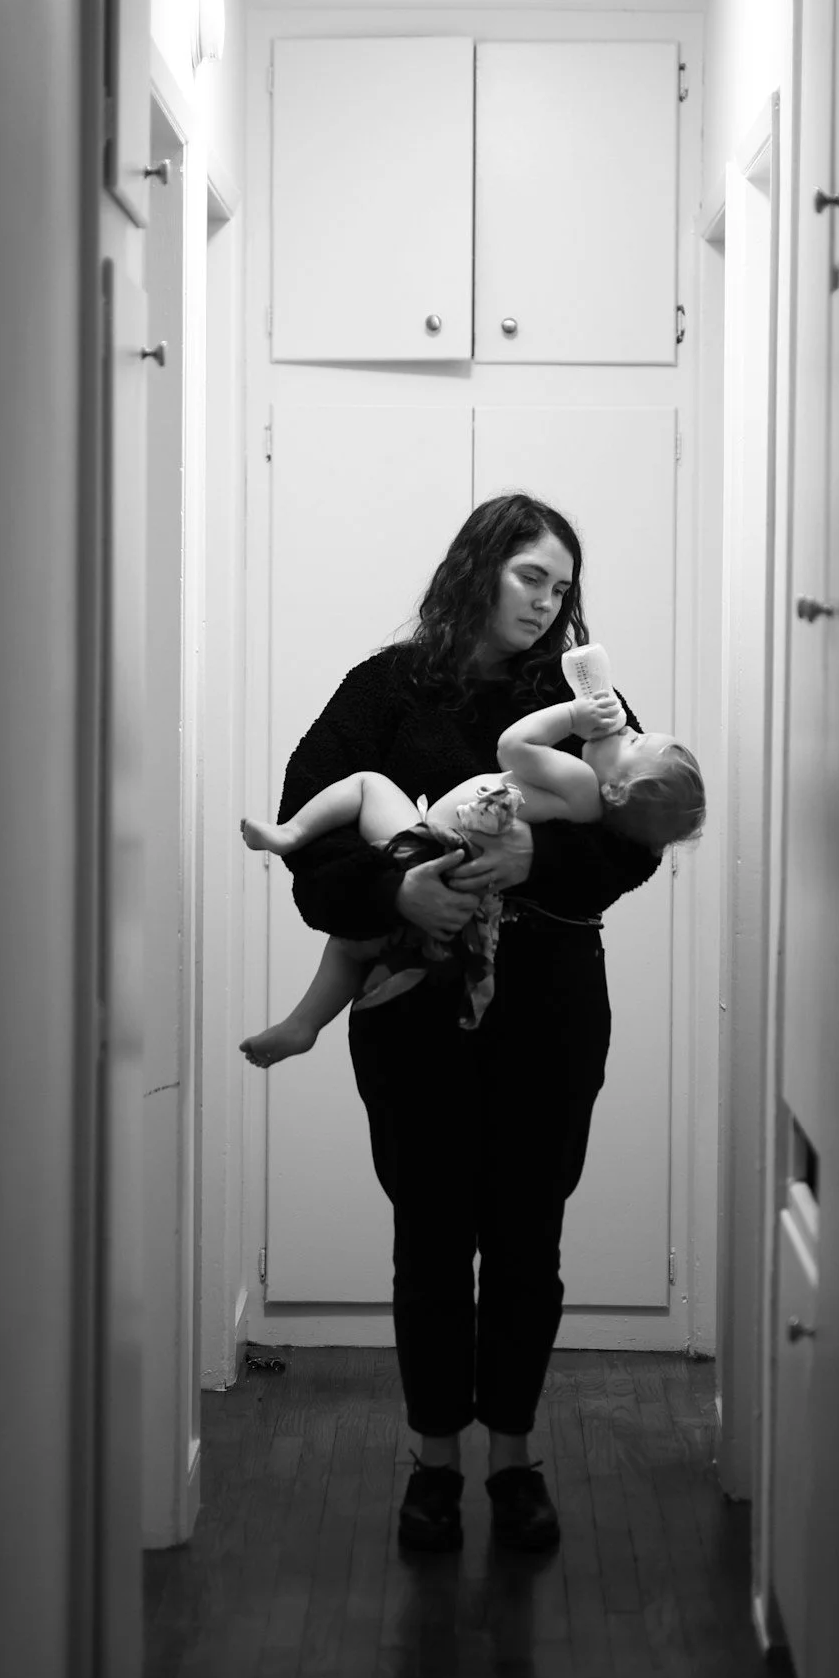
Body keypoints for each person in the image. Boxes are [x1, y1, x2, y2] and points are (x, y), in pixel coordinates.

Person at [262, 491, 669, 1555]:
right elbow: (313, 851)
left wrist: (542, 858)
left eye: (564, 585)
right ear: (477, 568)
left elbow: (642, 833)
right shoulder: (385, 689)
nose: (549, 600)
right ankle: (435, 1465)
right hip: (411, 1018)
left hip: (551, 1013)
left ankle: (514, 1460)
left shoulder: (585, 699)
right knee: (432, 1239)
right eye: (532, 574)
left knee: (531, 1240)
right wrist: (397, 898)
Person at [239, 685, 704, 1060]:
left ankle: (293, 833)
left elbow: (512, 746)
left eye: (637, 742)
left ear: (620, 789)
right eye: (532, 578)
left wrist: (571, 716)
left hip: (431, 848)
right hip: (453, 881)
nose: (627, 728)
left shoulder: (582, 781)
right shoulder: (587, 804)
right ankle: (303, 1024)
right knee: (355, 945)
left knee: (369, 786)